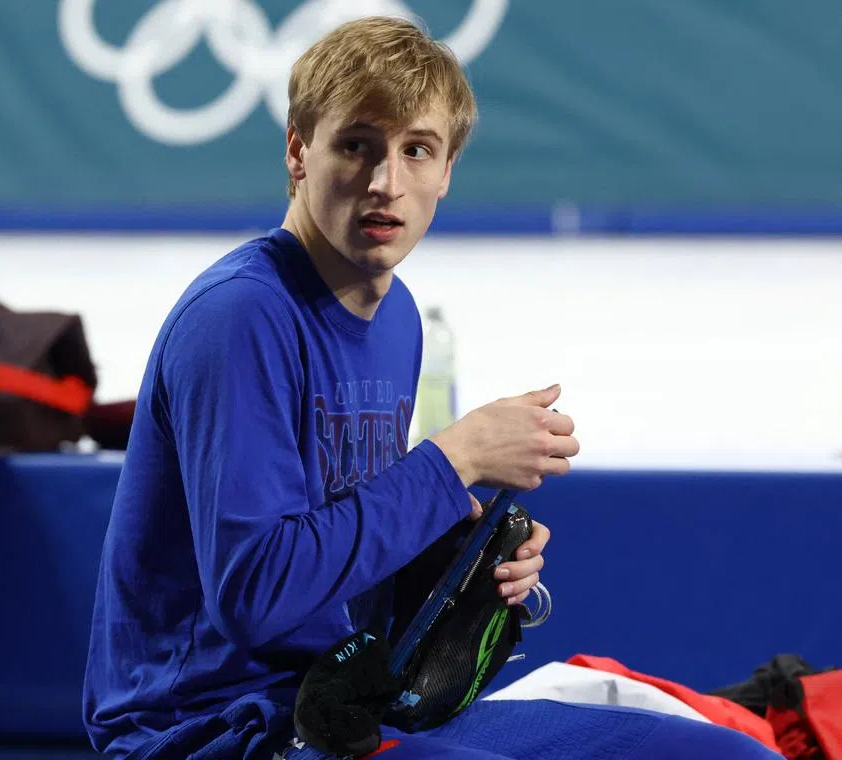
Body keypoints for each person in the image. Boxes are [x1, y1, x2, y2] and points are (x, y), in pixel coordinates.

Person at [82, 16, 782, 760]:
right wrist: (452, 463)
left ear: (446, 171)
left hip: (347, 703)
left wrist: (455, 556)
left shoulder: (397, 319)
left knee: (731, 755)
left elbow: (340, 557)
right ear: (297, 151)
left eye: (416, 150)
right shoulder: (239, 317)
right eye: (357, 145)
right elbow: (255, 595)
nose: (386, 182)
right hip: (210, 730)